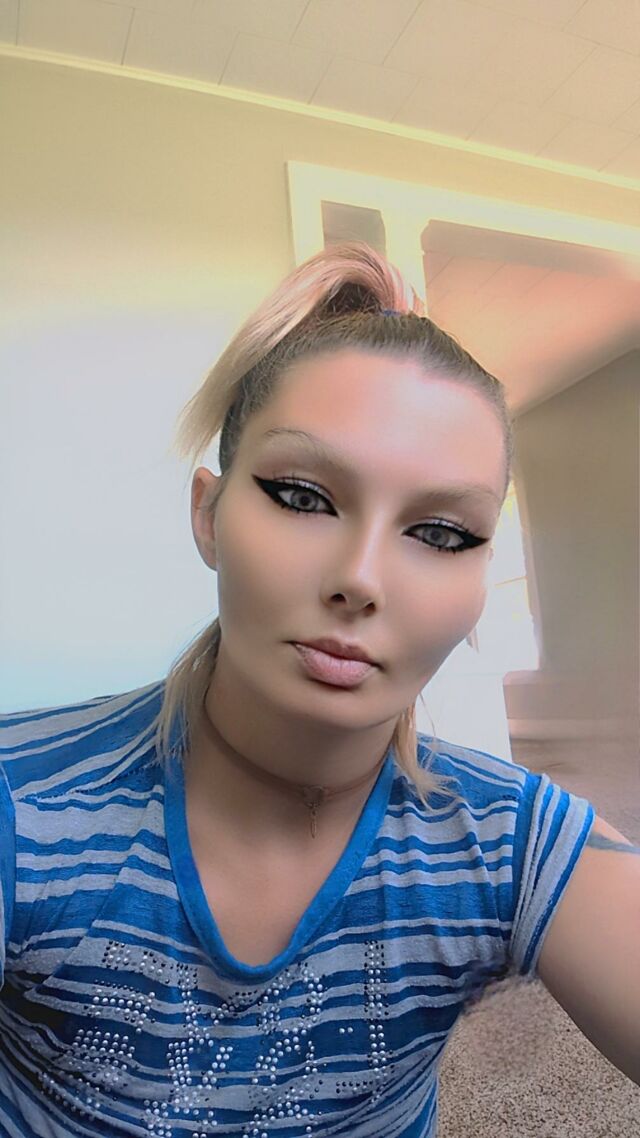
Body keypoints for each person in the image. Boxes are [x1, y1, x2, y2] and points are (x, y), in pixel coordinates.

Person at [0, 241, 633, 1136]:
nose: (361, 578)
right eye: (302, 496)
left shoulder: (511, 841)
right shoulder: (23, 804)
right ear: (207, 513)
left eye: (442, 534)